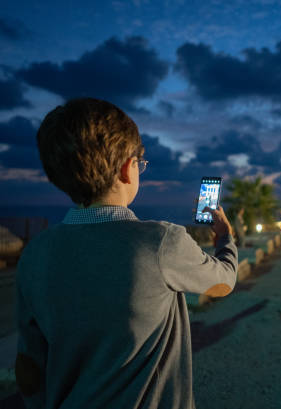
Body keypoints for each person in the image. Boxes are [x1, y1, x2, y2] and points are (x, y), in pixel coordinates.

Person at [15, 98, 237, 408]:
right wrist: (225, 237)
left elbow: (29, 366)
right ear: (125, 168)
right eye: (140, 162)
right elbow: (223, 282)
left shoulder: (34, 255)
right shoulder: (161, 242)